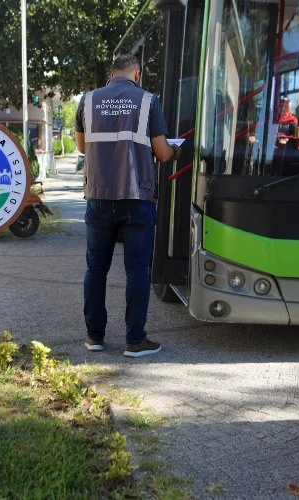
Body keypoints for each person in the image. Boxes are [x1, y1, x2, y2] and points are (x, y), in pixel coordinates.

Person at [75, 54, 181, 358]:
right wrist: (175, 151)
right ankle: (135, 341)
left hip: (98, 195)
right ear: (137, 74)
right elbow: (161, 153)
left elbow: (82, 148)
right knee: (136, 272)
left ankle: (94, 337)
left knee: (95, 269)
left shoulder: (88, 100)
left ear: (112, 73)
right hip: (137, 197)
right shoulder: (148, 100)